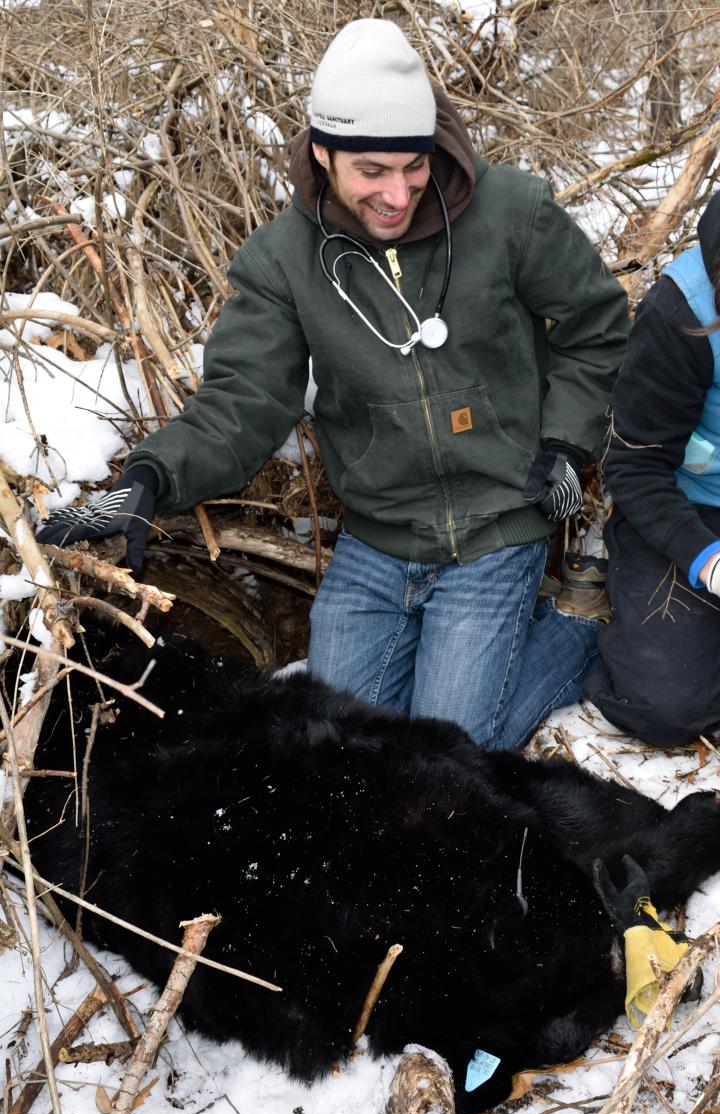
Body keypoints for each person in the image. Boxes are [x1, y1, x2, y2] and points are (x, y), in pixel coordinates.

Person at [37, 19, 628, 750]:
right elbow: (243, 400)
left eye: (413, 166)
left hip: (495, 525)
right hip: (377, 541)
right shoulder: (283, 259)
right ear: (323, 151)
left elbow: (597, 325)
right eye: (372, 171)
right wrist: (150, 478)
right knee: (331, 752)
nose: (398, 192)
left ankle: (576, 627)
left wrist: (565, 442)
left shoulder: (512, 211)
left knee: (445, 757)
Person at [585, 192, 720, 747]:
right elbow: (637, 467)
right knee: (665, 706)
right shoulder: (680, 311)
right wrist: (708, 561)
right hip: (685, 509)